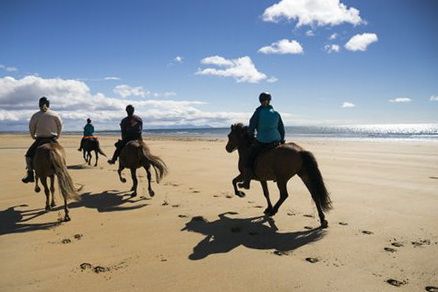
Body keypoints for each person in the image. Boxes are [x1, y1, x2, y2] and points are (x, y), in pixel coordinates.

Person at [238, 92, 285, 190]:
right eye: (263, 100)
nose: (263, 102)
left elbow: (252, 125)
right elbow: (281, 128)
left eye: (264, 100)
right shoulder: (276, 113)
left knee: (248, 159)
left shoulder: (258, 112)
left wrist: (250, 135)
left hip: (262, 141)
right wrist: (282, 140)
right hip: (275, 141)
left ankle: (246, 182)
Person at [22, 97, 63, 183]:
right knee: (61, 154)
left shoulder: (35, 115)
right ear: (48, 104)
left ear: (39, 105)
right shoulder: (55, 114)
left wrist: (33, 136)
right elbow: (60, 126)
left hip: (40, 139)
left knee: (28, 156)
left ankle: (30, 175)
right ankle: (63, 170)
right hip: (52, 139)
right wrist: (58, 136)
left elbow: (31, 127)